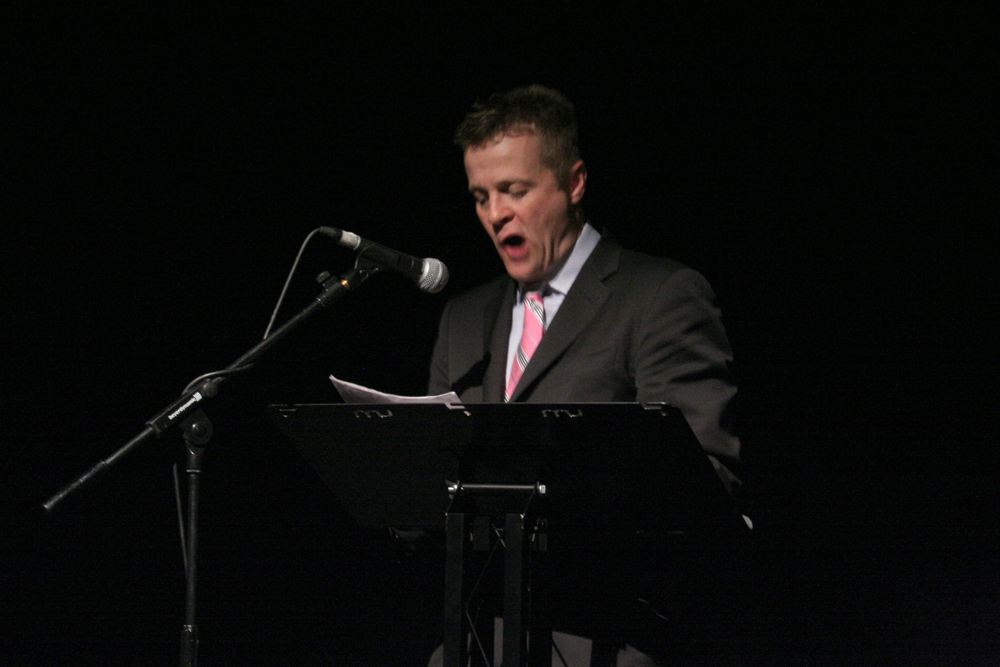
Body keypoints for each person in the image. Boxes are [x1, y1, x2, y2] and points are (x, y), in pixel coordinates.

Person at [427, 85, 741, 667]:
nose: (496, 215)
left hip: (601, 638)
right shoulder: (463, 320)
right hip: (477, 639)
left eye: (515, 190)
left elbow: (703, 481)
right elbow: (427, 491)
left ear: (573, 183)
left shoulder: (659, 296)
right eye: (481, 196)